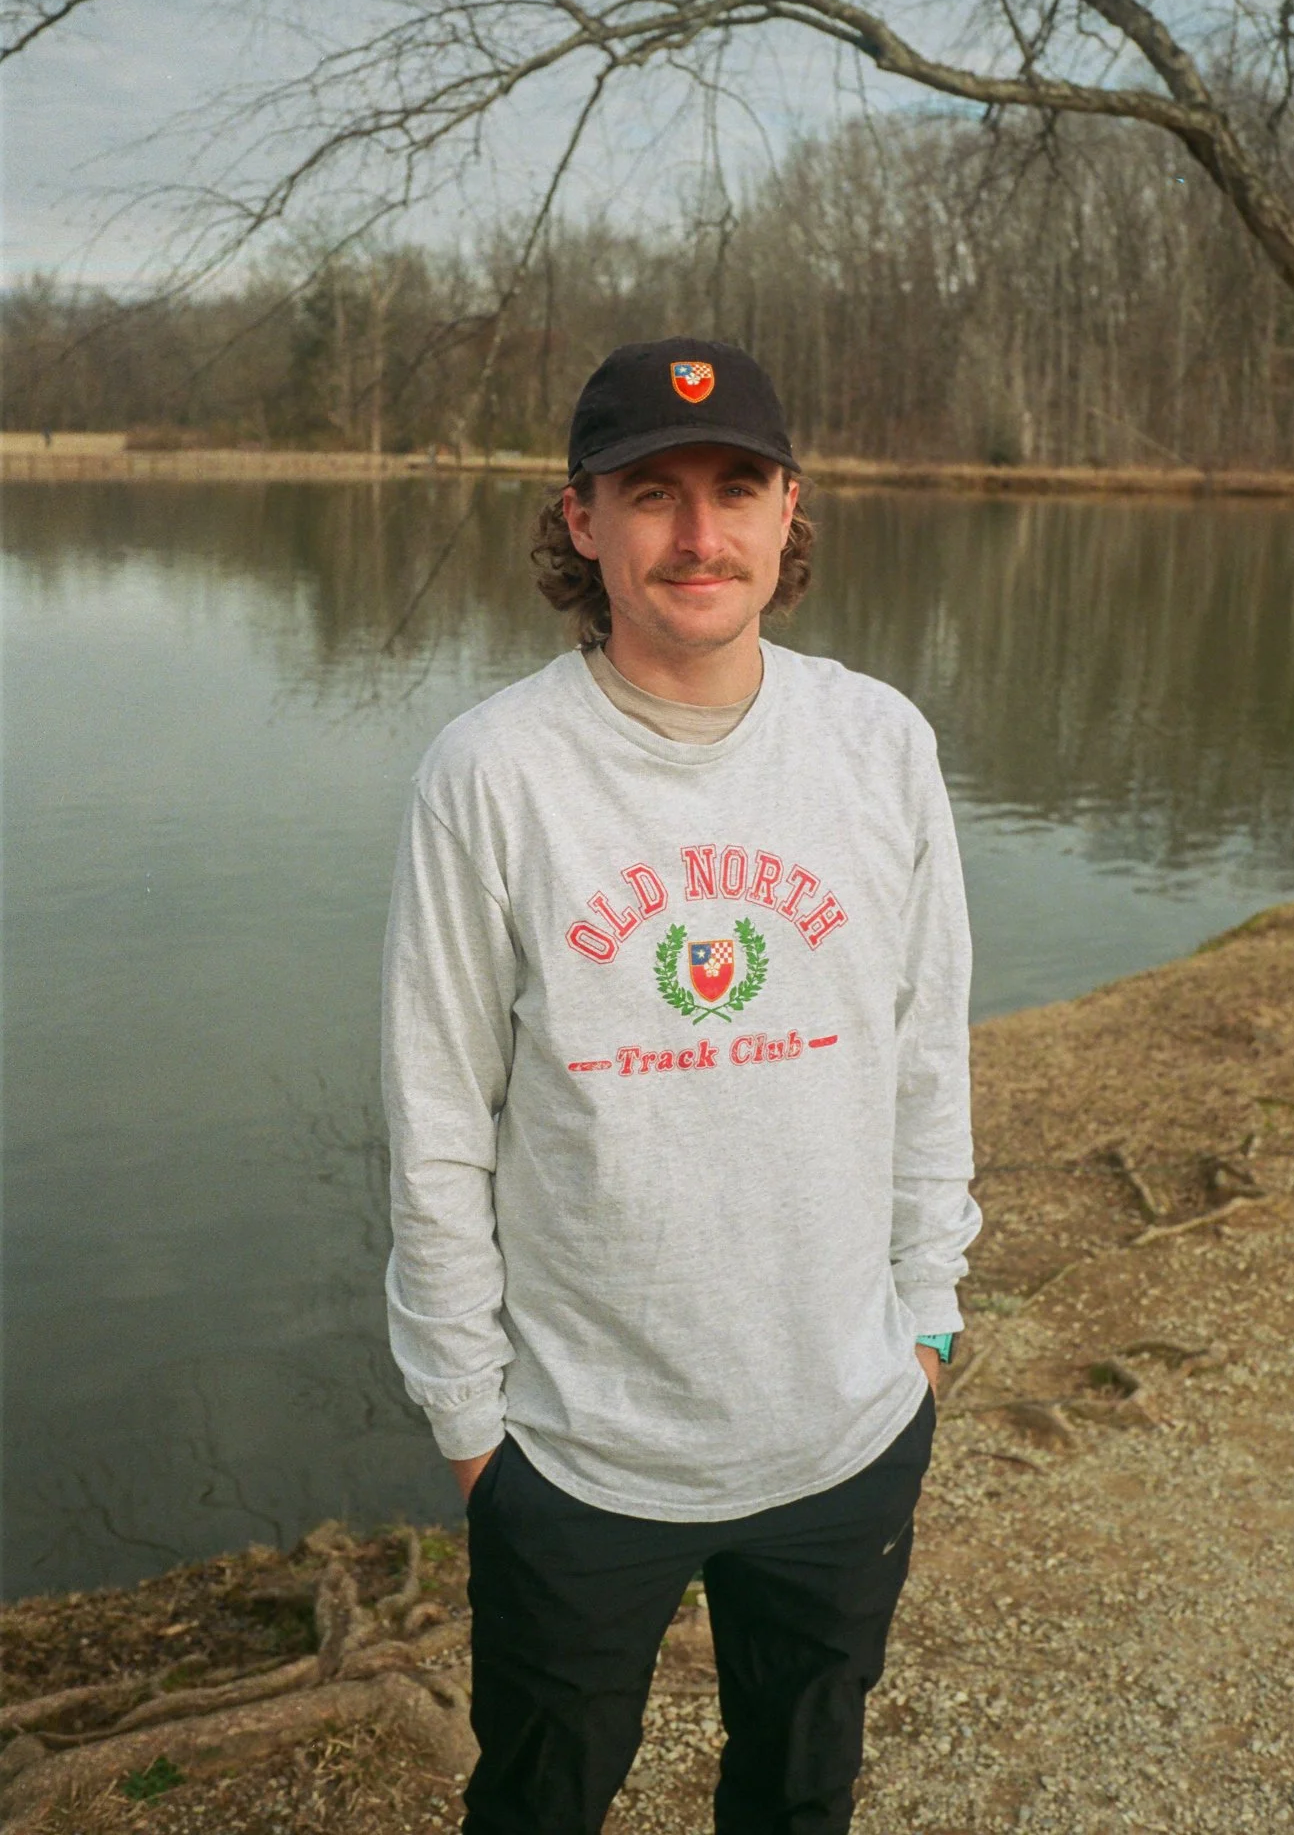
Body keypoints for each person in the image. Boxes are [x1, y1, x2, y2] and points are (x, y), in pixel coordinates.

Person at [382, 337, 982, 1834]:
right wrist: (472, 1422)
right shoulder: (495, 772)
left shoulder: (877, 743)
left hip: (844, 1423)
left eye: (735, 488)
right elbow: (439, 1117)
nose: (698, 536)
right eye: (651, 493)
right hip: (580, 1456)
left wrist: (923, 1324)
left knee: (797, 1792)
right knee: (539, 1799)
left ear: (791, 513)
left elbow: (926, 1048)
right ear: (581, 520)